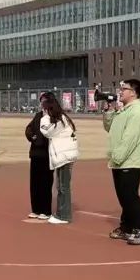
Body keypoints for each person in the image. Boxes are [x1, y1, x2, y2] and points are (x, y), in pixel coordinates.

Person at [102, 78, 140, 245]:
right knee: (124, 197)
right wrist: (109, 111)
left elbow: (130, 138)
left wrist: (117, 157)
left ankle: (139, 230)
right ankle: (126, 228)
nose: (120, 91)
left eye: (124, 89)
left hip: (130, 161)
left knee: (130, 197)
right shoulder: (124, 110)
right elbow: (110, 128)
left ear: (134, 93)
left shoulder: (137, 111)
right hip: (120, 161)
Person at [39, 93, 79, 224]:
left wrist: (45, 117)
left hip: (65, 156)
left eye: (44, 107)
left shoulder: (60, 120)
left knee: (63, 187)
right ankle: (61, 213)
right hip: (64, 155)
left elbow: (47, 132)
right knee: (61, 186)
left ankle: (64, 215)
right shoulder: (60, 118)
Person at [25, 92, 53, 220]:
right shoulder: (37, 116)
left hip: (47, 155)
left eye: (45, 101)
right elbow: (29, 129)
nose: (43, 104)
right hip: (35, 153)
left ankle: (46, 210)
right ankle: (36, 209)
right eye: (41, 101)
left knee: (45, 183)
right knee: (35, 183)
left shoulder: (54, 116)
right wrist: (32, 136)